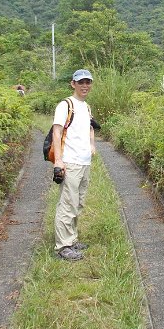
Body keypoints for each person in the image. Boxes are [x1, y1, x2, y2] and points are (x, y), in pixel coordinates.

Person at [52, 69, 96, 261]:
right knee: (67, 204)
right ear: (73, 84)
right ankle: (63, 246)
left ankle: (72, 238)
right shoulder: (65, 105)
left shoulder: (86, 106)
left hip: (84, 161)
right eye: (81, 82)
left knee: (78, 203)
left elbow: (89, 127)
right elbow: (57, 132)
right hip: (70, 161)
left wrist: (92, 144)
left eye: (88, 82)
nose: (85, 86)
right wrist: (59, 160)